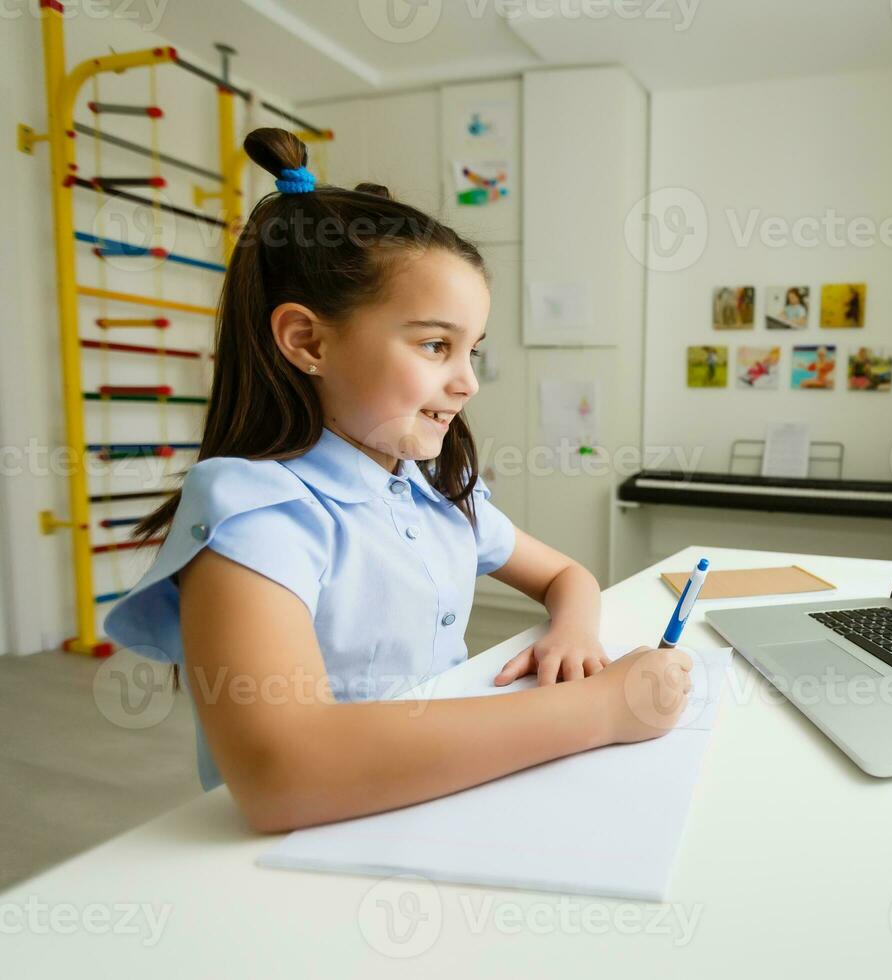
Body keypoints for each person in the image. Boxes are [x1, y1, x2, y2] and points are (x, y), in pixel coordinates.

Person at [103, 129, 692, 832]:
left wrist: (571, 630)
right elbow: (281, 775)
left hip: (440, 803)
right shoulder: (256, 515)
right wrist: (600, 710)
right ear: (308, 342)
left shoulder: (436, 490)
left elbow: (567, 575)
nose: (468, 381)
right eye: (436, 344)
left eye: (473, 350)